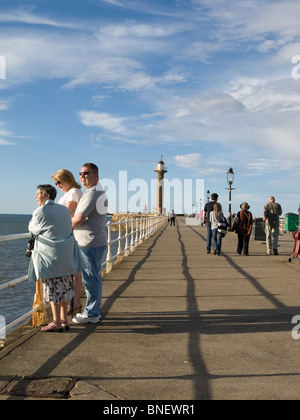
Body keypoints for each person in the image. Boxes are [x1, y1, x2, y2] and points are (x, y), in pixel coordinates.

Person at [28, 184, 84, 332]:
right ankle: (64, 320)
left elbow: (33, 229)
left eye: (38, 193)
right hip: (66, 255)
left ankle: (55, 322)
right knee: (65, 287)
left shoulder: (40, 211)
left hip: (50, 256)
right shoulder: (65, 210)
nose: (36, 196)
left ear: (47, 196)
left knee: (52, 288)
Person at [72, 163, 108, 324]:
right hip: (93, 241)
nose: (82, 176)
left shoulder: (93, 193)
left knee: (90, 278)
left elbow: (79, 218)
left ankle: (92, 313)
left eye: (86, 173)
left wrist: (63, 227)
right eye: (80, 173)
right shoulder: (96, 191)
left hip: (89, 242)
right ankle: (92, 311)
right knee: (92, 277)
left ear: (96, 175)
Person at [51, 169, 83, 314]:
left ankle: (75, 303)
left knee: (74, 271)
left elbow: (67, 212)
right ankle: (74, 303)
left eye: (59, 182)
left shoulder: (74, 192)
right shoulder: (69, 193)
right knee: (74, 271)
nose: (57, 185)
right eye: (55, 183)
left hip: (71, 235)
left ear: (67, 179)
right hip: (69, 234)